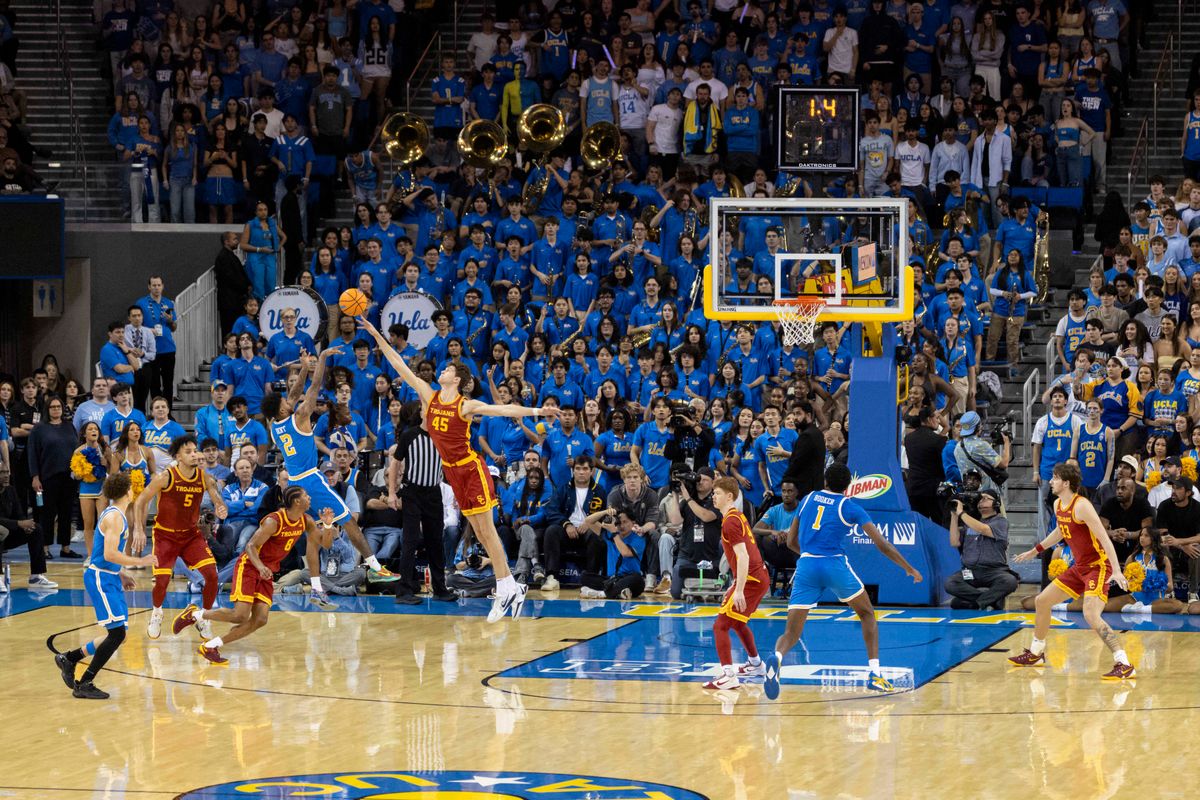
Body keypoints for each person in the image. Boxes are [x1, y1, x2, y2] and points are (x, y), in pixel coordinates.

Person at [360, 315, 560, 621]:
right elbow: (399, 364)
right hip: (451, 473)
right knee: (479, 530)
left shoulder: (464, 405)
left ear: (456, 379)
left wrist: (537, 410)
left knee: (486, 529)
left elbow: (503, 408)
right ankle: (510, 588)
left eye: (448, 369)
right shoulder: (430, 395)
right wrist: (376, 334)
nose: (442, 369)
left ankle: (506, 587)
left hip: (470, 468)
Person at [763, 463, 923, 699]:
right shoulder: (850, 507)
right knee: (867, 614)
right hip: (833, 565)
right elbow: (882, 545)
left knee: (791, 633)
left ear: (825, 481)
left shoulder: (807, 499)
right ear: (848, 487)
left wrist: (809, 556)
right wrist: (908, 568)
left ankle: (776, 659)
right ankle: (875, 674)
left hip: (806, 565)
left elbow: (790, 542)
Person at [259, 347, 397, 607]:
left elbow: (295, 393)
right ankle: (375, 566)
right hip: (311, 480)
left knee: (313, 535)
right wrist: (320, 360)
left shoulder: (275, 426)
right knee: (348, 521)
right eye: (285, 403)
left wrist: (301, 366)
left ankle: (315, 587)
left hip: (293, 484)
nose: (290, 401)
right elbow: (313, 387)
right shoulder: (299, 417)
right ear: (282, 410)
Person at [174, 487, 335, 665]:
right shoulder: (274, 521)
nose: (309, 497)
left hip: (266, 571)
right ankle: (195, 613)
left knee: (260, 620)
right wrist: (259, 566)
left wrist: (328, 525)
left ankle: (211, 646)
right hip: (250, 566)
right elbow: (250, 546)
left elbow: (325, 544)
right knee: (240, 615)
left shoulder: (306, 520)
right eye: (306, 495)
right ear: (297, 501)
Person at [1010, 462, 1135, 679]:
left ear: (1066, 483)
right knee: (1042, 601)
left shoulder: (1082, 505)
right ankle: (1036, 653)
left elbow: (1104, 538)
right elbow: (1061, 531)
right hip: (1079, 567)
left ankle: (1123, 662)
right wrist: (1035, 550)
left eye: (1055, 478)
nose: (1051, 481)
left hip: (1098, 567)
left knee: (1090, 614)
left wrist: (1116, 570)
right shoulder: (1059, 504)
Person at [51, 473, 156, 698]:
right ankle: (85, 682)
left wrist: (121, 574)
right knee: (116, 634)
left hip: (109, 576)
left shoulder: (117, 515)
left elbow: (105, 556)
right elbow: (109, 553)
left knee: (120, 634)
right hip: (100, 578)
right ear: (128, 491)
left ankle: (70, 658)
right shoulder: (115, 517)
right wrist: (140, 561)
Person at [131, 435, 228, 641]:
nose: (194, 454)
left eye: (195, 450)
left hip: (191, 536)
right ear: (178, 457)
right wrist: (139, 529)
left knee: (212, 575)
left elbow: (216, 496)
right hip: (165, 536)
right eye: (188, 452)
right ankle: (157, 612)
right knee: (162, 582)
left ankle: (204, 617)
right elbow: (140, 501)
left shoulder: (204, 477)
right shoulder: (165, 477)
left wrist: (220, 505)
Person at [699, 476, 770, 691]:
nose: (713, 496)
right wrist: (735, 585)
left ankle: (729, 675)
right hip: (757, 577)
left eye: (717, 493)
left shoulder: (730, 521)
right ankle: (756, 664)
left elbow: (743, 556)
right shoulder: (735, 516)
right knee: (738, 623)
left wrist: (738, 589)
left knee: (720, 625)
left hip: (752, 579)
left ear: (729, 496)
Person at [945, 489, 1018, 610]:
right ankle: (990, 600)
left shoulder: (1001, 522)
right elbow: (954, 542)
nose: (981, 500)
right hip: (970, 572)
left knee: (1010, 581)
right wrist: (954, 515)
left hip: (994, 571)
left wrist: (961, 513)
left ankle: (972, 602)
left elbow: (983, 529)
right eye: (980, 499)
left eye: (986, 498)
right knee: (950, 583)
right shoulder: (970, 523)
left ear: (996, 503)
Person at [0, 461, 55, 591]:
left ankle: (36, 576)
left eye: (7, 472)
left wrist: (26, 525)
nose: (6, 475)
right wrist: (19, 523)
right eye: (2, 473)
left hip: (9, 534)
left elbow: (19, 514)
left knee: (36, 529)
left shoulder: (10, 490)